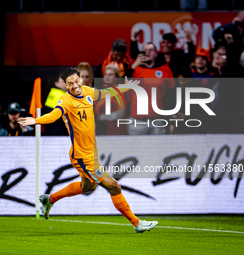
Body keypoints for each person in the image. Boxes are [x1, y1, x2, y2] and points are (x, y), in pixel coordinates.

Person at [18, 67, 158, 233]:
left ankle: (50, 199)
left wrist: (124, 87)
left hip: (91, 153)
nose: (75, 86)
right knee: (114, 186)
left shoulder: (88, 92)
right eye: (70, 84)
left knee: (88, 188)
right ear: (66, 85)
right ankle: (137, 223)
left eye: (76, 81)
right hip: (82, 157)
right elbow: (54, 115)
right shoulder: (66, 101)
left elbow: (105, 93)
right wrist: (35, 120)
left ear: (81, 80)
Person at [126, 42, 175, 135]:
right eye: (145, 50)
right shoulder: (134, 70)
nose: (147, 52)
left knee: (159, 149)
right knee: (136, 149)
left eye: (151, 50)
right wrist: (134, 65)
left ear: (156, 54)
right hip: (137, 121)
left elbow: (172, 95)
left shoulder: (165, 70)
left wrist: (171, 119)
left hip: (158, 121)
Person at [130, 30, 195, 77]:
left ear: (174, 44)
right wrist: (134, 40)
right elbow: (135, 54)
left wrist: (189, 41)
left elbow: (190, 56)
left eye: (168, 42)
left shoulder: (178, 56)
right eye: (164, 42)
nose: (165, 45)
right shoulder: (157, 57)